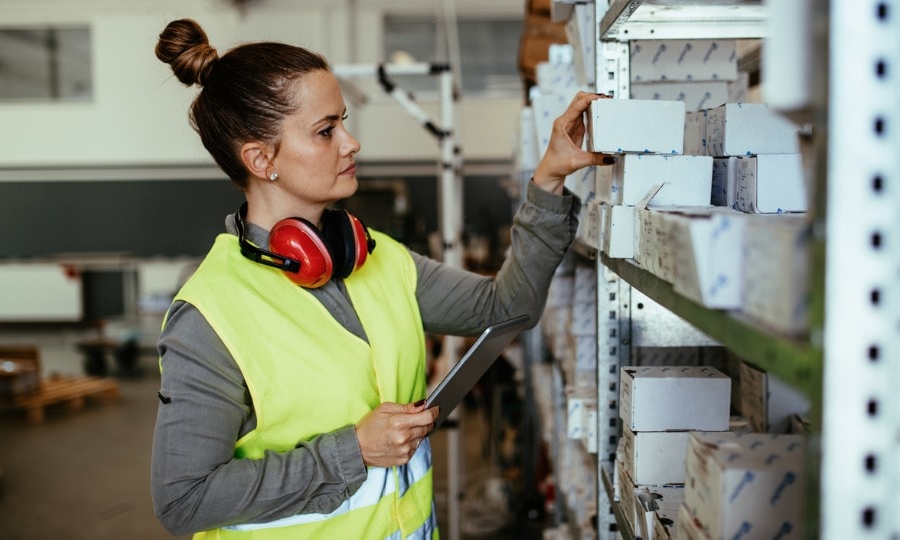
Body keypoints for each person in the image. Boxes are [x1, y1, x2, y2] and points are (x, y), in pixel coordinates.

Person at [151, 18, 613, 539]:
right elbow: (184, 499)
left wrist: (549, 180)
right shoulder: (212, 313)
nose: (352, 143)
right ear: (262, 159)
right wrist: (351, 451)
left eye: (344, 122)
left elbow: (509, 309)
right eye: (327, 131)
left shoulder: (378, 257)